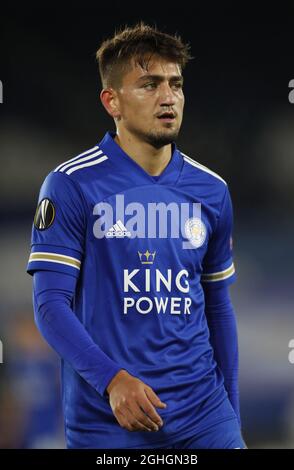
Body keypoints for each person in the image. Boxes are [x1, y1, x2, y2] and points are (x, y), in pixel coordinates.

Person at [27, 23, 246, 449]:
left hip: (206, 420)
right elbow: (49, 306)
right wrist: (112, 381)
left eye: (175, 84)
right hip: (109, 426)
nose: (169, 97)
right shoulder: (71, 185)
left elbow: (218, 309)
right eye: (149, 85)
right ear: (112, 101)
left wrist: (231, 417)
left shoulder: (213, 191)